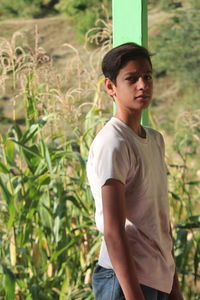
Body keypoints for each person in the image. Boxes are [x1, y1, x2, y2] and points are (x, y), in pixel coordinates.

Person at [86, 42, 183, 300]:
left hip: (156, 278)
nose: (143, 85)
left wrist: (174, 287)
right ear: (110, 87)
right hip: (125, 282)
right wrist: (134, 296)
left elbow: (160, 221)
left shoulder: (154, 140)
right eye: (132, 79)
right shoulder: (113, 142)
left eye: (147, 76)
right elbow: (113, 230)